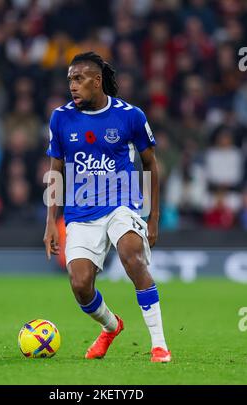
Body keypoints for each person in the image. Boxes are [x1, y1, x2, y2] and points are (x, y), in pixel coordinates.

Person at [44, 52, 171, 362]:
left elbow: (151, 165)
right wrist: (51, 221)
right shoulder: (60, 118)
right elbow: (55, 170)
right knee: (81, 285)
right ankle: (111, 326)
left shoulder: (130, 116)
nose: (72, 86)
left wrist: (153, 218)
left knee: (132, 256)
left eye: (78, 79)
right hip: (80, 211)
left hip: (122, 205)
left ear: (97, 81)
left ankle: (160, 345)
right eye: (70, 80)